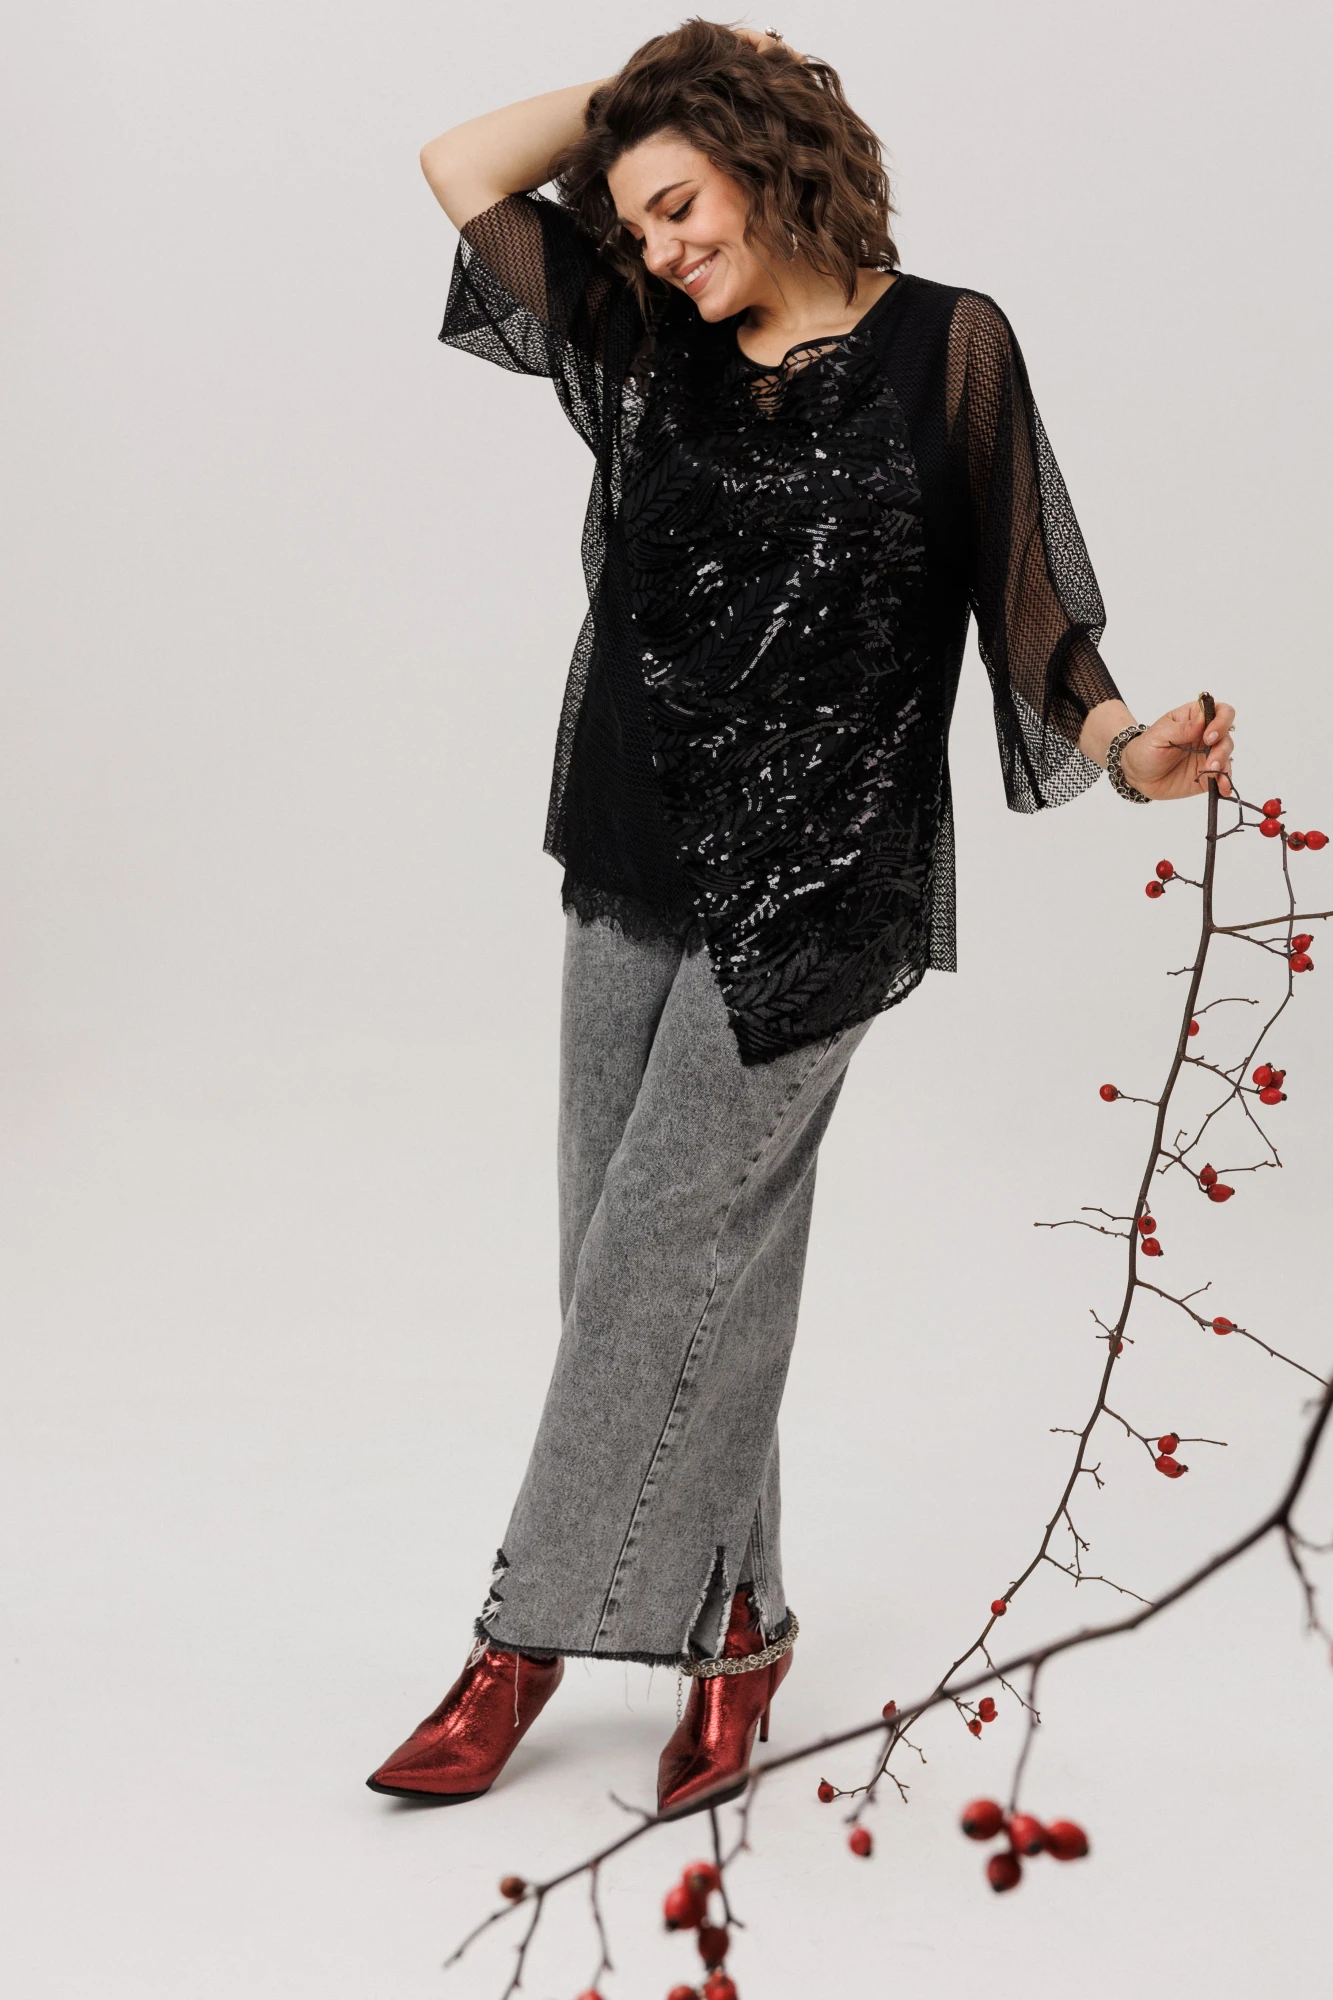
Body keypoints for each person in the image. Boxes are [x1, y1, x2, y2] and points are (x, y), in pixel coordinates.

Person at [367, 21, 1235, 1817]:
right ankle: (737, 1628)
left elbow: (1026, 607)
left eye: (683, 203)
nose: (663, 247)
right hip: (630, 846)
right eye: (637, 222)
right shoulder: (645, 331)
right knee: (639, 1265)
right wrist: (652, 84)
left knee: (662, 1262)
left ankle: (517, 1645)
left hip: (827, 886)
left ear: (769, 161)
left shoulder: (950, 345)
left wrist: (1126, 749)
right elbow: (461, 167)